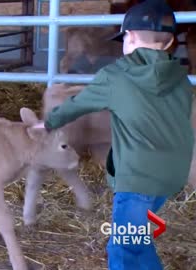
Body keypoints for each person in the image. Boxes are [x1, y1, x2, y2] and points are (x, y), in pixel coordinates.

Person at [43, 0, 194, 269]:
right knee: (138, 237)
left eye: (124, 38)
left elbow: (78, 105)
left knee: (122, 246)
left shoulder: (115, 76)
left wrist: (48, 122)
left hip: (138, 178)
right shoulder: (181, 79)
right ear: (170, 42)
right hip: (172, 173)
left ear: (132, 37)